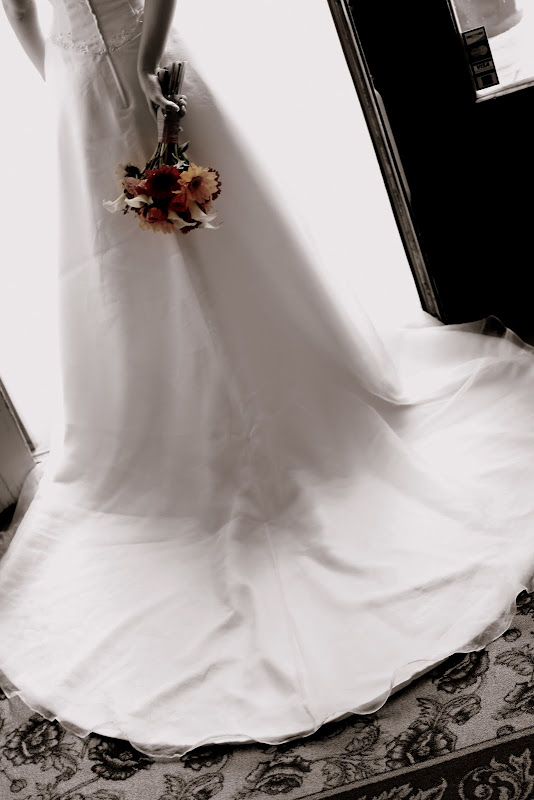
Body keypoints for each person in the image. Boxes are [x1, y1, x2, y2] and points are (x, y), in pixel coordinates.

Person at [1, 0, 534, 761]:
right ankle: (166, 438)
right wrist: (62, 78)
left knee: (224, 243)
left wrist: (139, 67)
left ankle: (291, 416)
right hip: (83, 87)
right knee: (122, 272)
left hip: (145, 63)